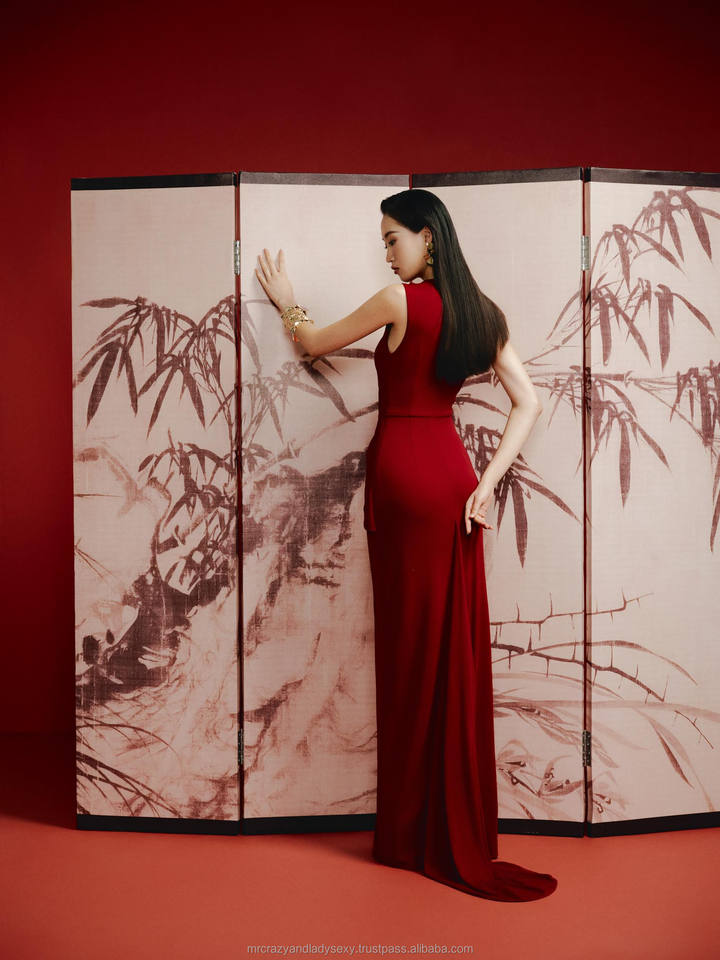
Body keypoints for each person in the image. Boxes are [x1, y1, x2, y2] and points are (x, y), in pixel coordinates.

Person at [255, 188, 558, 901]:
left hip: (401, 480)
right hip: (451, 479)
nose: (387, 252)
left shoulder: (400, 301)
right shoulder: (481, 313)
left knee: (408, 650)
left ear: (428, 237)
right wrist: (486, 484)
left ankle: (408, 831)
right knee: (446, 647)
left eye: (393, 237)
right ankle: (440, 825)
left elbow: (312, 343)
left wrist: (287, 302)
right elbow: (530, 400)